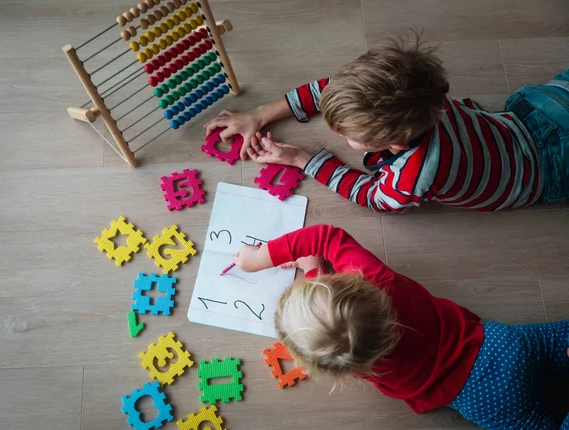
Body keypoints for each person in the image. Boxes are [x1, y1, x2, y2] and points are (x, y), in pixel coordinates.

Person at [233, 224, 569, 429]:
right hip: (499, 344)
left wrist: (311, 273)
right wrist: (264, 257)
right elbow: (325, 236)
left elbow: (336, 331)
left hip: (485, 399)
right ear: (349, 280)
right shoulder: (381, 279)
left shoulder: (356, 361)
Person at [204, 34, 569, 212]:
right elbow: (329, 89)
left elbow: (371, 196)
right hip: (538, 108)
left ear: (393, 142)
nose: (336, 132)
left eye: (346, 135)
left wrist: (303, 159)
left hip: (546, 168)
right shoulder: (420, 90)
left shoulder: (416, 174)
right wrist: (259, 114)